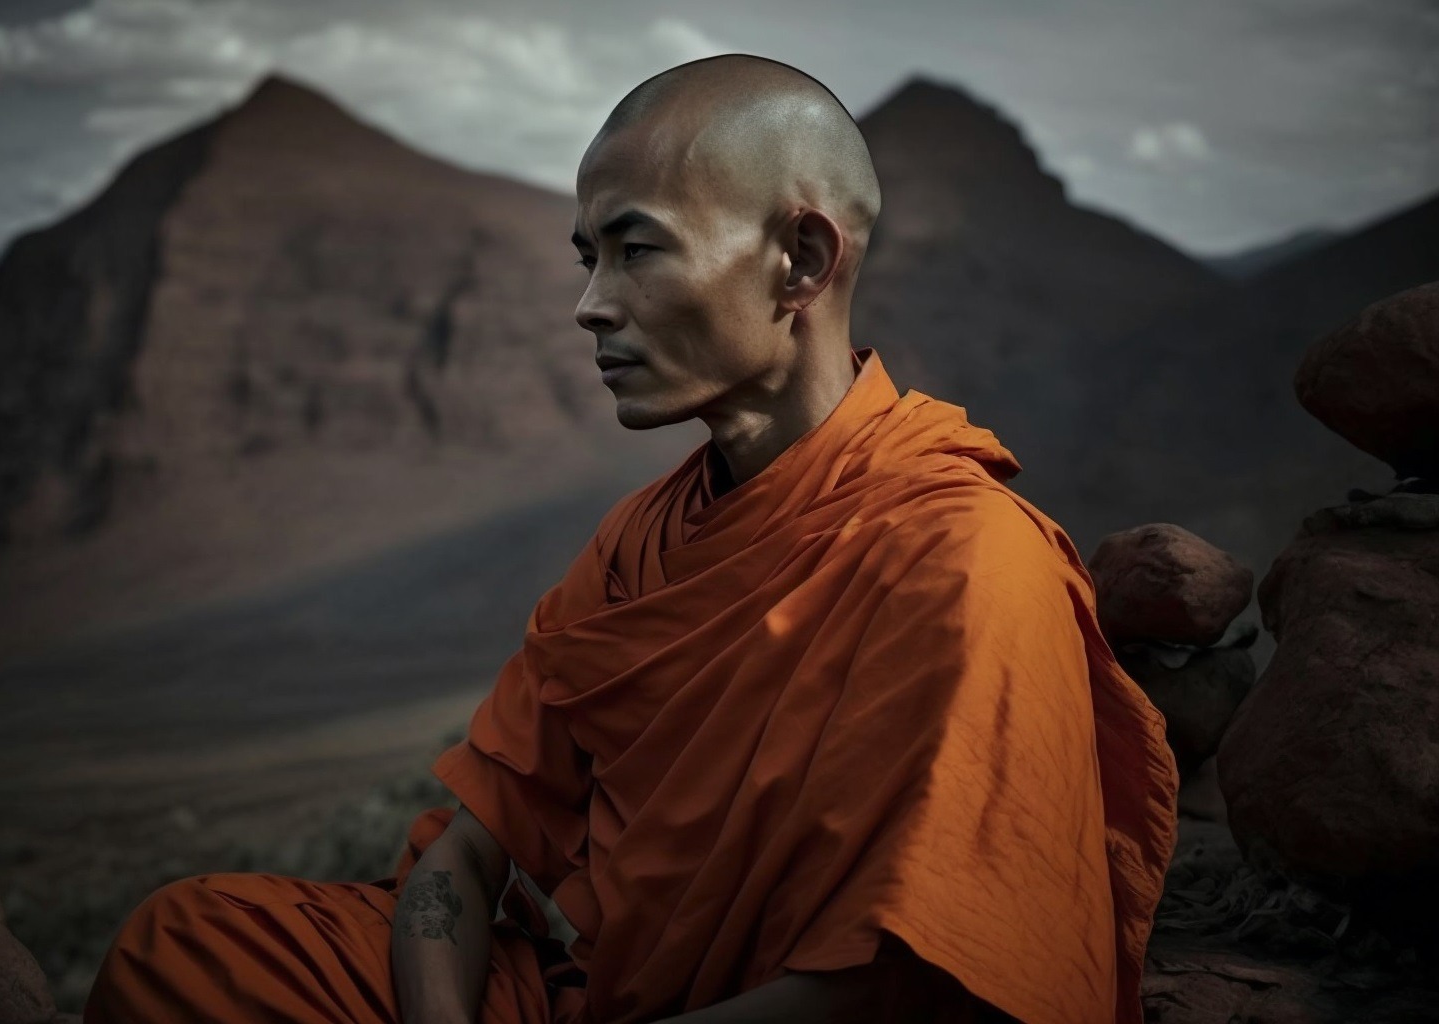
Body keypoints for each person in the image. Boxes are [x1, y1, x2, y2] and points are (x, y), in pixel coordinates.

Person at [85, 54, 1178, 1024]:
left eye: (636, 250)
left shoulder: (963, 556)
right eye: (585, 258)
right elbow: (462, 856)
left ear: (800, 261)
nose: (590, 306)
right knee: (193, 944)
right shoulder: (643, 543)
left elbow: (905, 979)